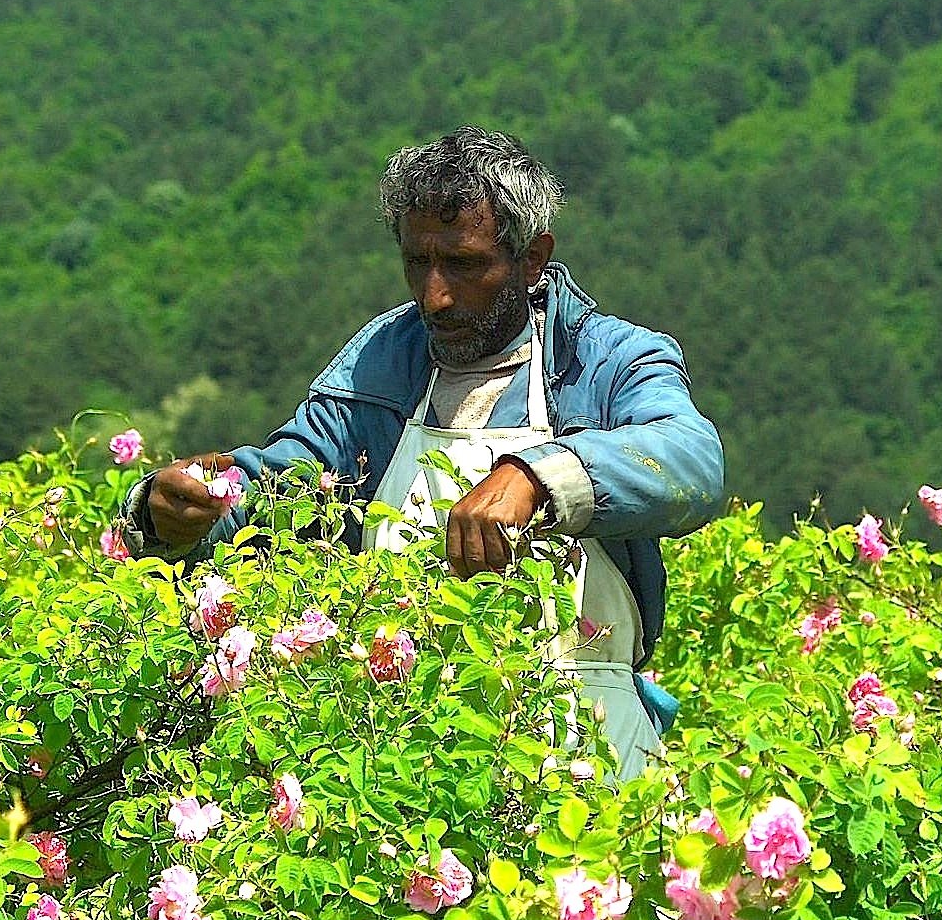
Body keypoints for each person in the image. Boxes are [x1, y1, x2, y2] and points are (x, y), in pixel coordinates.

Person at [119, 126, 724, 779]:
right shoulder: (381, 366)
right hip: (402, 744)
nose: (434, 295)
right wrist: (171, 512)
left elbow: (690, 459)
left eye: (463, 265)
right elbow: (284, 489)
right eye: (417, 262)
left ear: (530, 258)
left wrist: (538, 479)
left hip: (584, 733)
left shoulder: (606, 360)